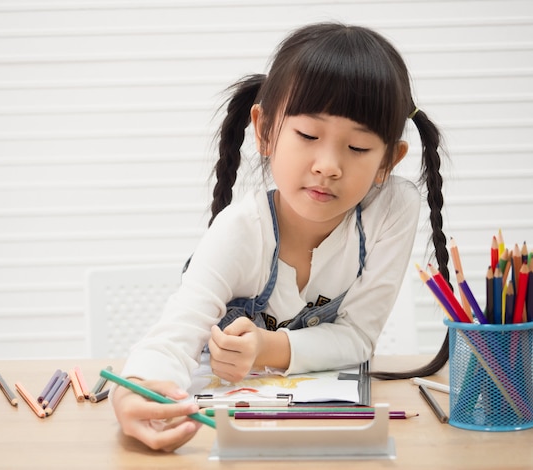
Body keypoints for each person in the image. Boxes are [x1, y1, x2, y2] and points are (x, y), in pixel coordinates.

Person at [110, 22, 451, 452]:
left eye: (359, 148)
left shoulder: (392, 209)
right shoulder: (241, 229)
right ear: (265, 130)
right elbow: (173, 337)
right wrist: (133, 392)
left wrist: (267, 347)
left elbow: (358, 339)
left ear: (389, 160)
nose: (328, 165)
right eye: (308, 135)